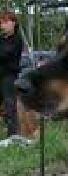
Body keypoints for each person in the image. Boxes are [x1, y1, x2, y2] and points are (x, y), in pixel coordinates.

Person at [0, 10, 23, 138]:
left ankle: (13, 135)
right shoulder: (1, 39)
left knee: (10, 105)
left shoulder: (16, 39)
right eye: (1, 23)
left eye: (5, 22)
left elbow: (5, 54)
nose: (2, 25)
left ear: (13, 23)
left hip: (9, 77)